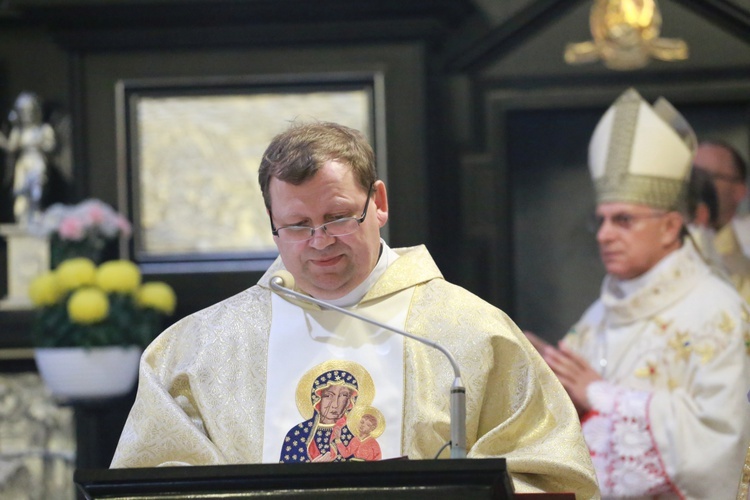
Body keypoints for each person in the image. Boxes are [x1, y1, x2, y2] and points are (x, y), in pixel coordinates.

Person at [110, 121, 599, 497]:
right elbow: (150, 480)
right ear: (271, 223)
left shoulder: (469, 333)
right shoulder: (201, 347)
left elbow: (552, 474)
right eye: (298, 225)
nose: (320, 243)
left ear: (379, 202)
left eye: (338, 217)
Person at [528, 88, 750, 499]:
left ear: (669, 227)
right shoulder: (598, 316)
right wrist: (541, 371)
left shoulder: (719, 312)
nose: (606, 235)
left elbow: (719, 444)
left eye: (624, 220)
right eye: (603, 221)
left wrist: (599, 396)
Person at [693, 140, 750, 301]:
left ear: (739, 191)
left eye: (706, 176)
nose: (694, 185)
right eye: (691, 174)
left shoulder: (743, 277)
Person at [0, 91, 56, 226]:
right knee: (21, 192)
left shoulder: (44, 129)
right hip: (23, 163)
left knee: (36, 192)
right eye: (23, 112)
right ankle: (22, 219)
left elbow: (51, 146)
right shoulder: (19, 131)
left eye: (30, 111)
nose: (27, 115)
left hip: (36, 161)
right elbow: (11, 147)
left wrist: (40, 143)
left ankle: (35, 217)